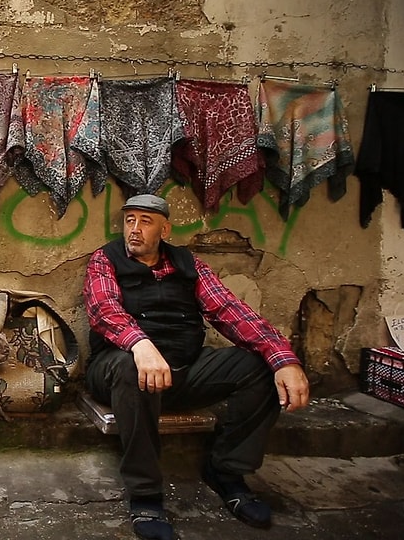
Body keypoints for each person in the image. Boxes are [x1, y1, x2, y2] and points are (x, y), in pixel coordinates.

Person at [83, 194, 310, 540]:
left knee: (260, 367)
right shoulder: (106, 260)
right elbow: (103, 309)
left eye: (145, 221)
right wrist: (140, 344)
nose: (134, 229)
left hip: (184, 367)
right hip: (118, 367)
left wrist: (283, 357)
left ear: (165, 228)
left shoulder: (189, 265)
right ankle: (145, 494)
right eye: (130, 220)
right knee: (132, 370)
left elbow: (230, 310)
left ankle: (226, 471)